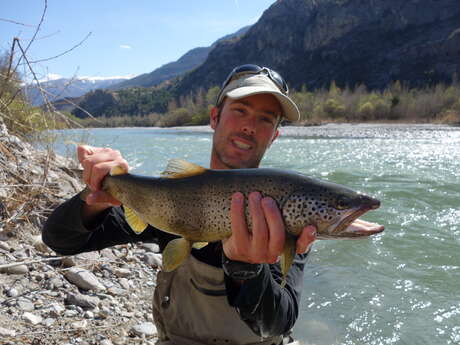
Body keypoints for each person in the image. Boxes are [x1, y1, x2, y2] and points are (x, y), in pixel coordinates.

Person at [42, 64, 317, 345]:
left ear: (274, 136)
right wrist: (97, 194)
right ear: (214, 117)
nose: (250, 126)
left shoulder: (283, 214)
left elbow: (276, 323)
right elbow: (60, 240)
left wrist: (247, 268)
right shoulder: (169, 197)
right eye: (240, 110)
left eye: (266, 119)